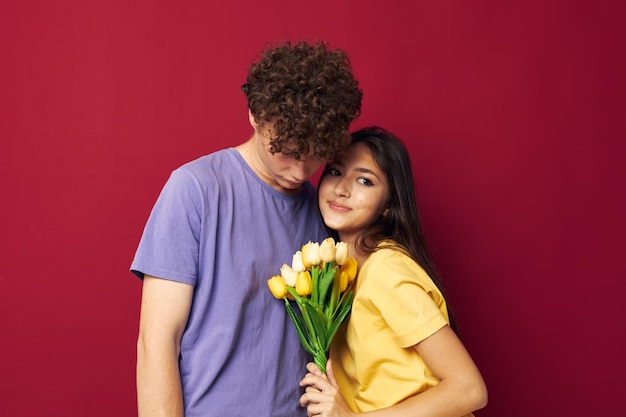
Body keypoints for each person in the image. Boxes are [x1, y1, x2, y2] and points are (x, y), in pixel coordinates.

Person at [130, 40, 362, 417]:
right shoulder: (195, 189)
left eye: (316, 153)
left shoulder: (327, 212)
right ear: (255, 115)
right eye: (286, 150)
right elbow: (156, 343)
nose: (301, 172)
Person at [299, 127, 488, 417]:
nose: (342, 189)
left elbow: (469, 389)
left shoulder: (387, 268)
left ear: (388, 205)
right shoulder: (338, 273)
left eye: (365, 180)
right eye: (335, 172)